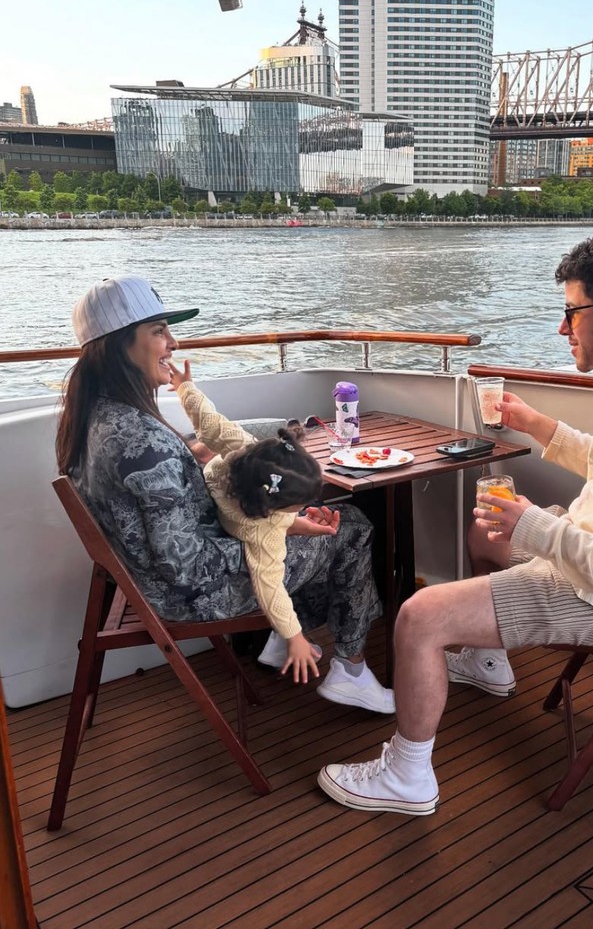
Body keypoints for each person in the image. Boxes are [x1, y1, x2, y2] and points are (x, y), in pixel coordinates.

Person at [317, 231, 593, 815]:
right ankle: (489, 663)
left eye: (571, 313)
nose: (562, 329)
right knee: (485, 530)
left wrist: (535, 526)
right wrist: (538, 425)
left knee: (417, 616)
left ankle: (408, 775)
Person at [56, 275, 394, 714]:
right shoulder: (142, 441)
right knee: (351, 529)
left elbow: (168, 503)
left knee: (292, 517)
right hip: (188, 596)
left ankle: (283, 634)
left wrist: (277, 520)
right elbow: (185, 566)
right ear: (119, 344)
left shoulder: (93, 417)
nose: (172, 343)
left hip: (142, 578)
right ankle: (349, 671)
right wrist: (272, 533)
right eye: (158, 331)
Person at [169, 359, 334, 685]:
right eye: (297, 507)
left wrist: (184, 387)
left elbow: (207, 420)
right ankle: (292, 643)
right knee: (353, 532)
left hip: (218, 496)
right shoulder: (264, 530)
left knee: (205, 439)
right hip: (231, 532)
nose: (303, 508)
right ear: (273, 508)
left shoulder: (245, 447)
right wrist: (294, 636)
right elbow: (269, 587)